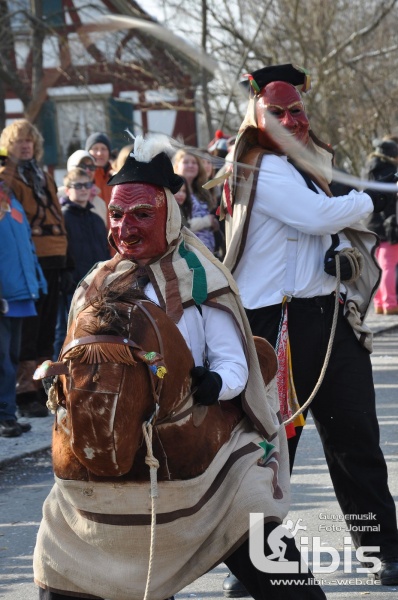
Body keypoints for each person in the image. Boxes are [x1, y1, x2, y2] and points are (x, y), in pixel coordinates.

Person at [34, 135, 326, 600]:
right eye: (116, 214)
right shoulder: (94, 282)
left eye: (141, 215)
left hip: (204, 460)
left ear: (168, 214)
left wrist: (213, 384)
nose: (125, 228)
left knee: (281, 576)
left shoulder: (202, 275)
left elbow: (236, 365)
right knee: (65, 567)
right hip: (116, 461)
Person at [221, 63, 398, 595]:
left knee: (355, 439)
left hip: (325, 316)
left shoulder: (307, 161)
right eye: (277, 112)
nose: (291, 121)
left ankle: (382, 551)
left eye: (297, 111)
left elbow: (323, 229)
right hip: (272, 324)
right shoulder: (261, 165)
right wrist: (366, 200)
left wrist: (343, 250)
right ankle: (260, 563)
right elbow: (318, 216)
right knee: (271, 452)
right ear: (256, 116)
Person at [0, 119, 68, 418]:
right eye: (18, 141)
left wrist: (68, 257)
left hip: (55, 257)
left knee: (46, 328)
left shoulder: (43, 174)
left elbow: (57, 213)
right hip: (30, 260)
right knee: (27, 329)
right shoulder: (8, 176)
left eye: (29, 140)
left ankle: (42, 386)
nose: (25, 145)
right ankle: (24, 391)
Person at [0, 163, 47, 437]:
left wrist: (36, 282)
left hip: (20, 295)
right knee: (2, 360)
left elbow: (28, 247)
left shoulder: (14, 204)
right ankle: (5, 416)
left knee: (12, 358)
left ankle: (8, 413)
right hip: (4, 297)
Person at [52, 167, 110, 358]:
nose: (83, 189)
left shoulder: (96, 218)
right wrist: (65, 274)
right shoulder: (63, 217)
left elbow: (104, 251)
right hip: (72, 284)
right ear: (67, 190)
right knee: (65, 331)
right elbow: (61, 249)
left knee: (96, 331)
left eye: (87, 185)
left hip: (97, 285)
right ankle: (58, 375)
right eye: (78, 186)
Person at [363, 139, 398, 315]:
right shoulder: (390, 172)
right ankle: (390, 303)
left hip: (371, 224)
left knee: (378, 265)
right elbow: (391, 201)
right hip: (388, 224)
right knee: (389, 265)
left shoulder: (369, 169)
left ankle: (379, 302)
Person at [173, 148, 220, 253]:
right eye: (186, 162)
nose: (190, 165)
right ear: (177, 166)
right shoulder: (173, 193)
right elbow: (179, 225)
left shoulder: (202, 192)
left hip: (208, 253)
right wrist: (207, 221)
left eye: (194, 162)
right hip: (189, 253)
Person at [63, 149, 108, 226]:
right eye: (82, 166)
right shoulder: (57, 196)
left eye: (91, 167)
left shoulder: (100, 203)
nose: (87, 170)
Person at [85, 131, 114, 213]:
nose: (99, 153)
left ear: (109, 152)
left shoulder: (117, 176)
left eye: (103, 149)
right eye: (95, 149)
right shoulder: (84, 179)